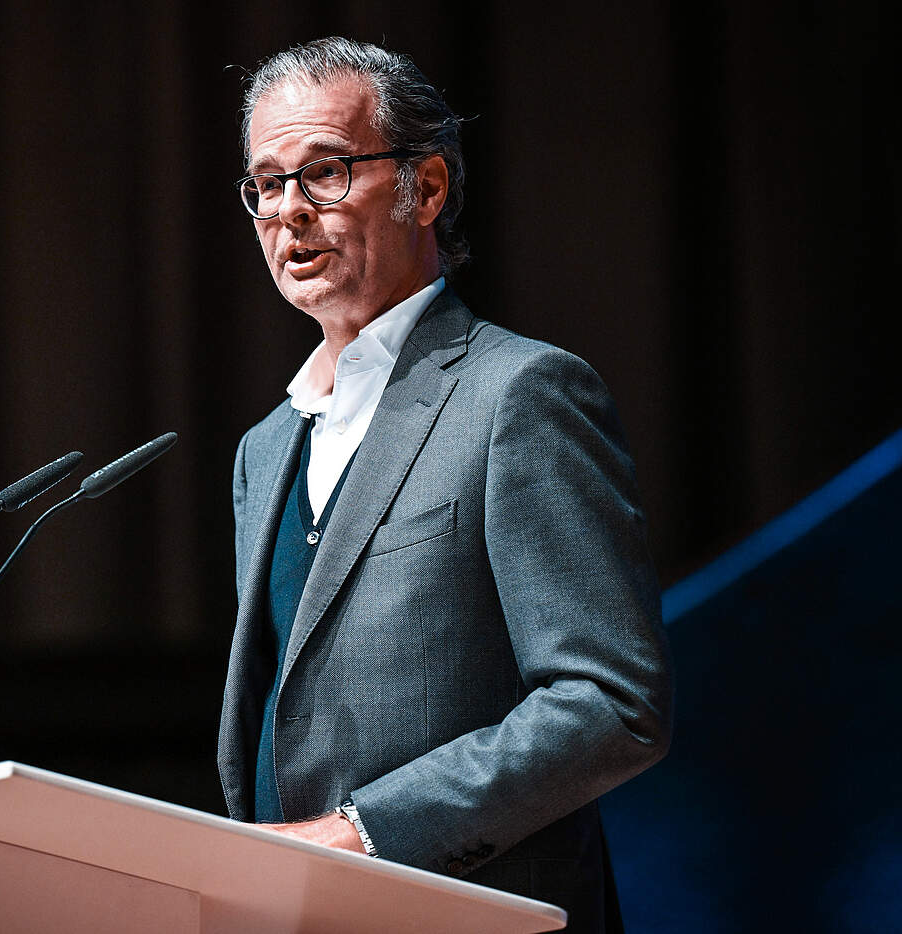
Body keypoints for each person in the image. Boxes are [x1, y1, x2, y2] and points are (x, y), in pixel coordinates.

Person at [217, 37, 673, 933]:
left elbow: (611, 704)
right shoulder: (264, 450)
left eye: (325, 173)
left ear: (425, 189)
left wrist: (362, 834)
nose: (289, 211)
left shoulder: (520, 394)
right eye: (266, 184)